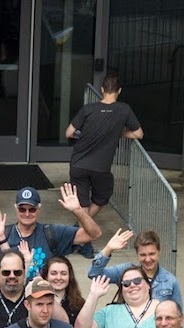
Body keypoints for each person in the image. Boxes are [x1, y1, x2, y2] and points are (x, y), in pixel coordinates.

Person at [66, 71, 144, 218]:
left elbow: (69, 133)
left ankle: (83, 230)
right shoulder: (124, 109)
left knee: (82, 203)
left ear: (102, 89)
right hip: (101, 168)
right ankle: (85, 229)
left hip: (78, 163)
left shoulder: (88, 109)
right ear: (119, 91)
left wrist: (84, 135)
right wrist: (118, 133)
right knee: (101, 198)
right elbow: (138, 134)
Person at [0, 185, 102, 270]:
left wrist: (77, 210)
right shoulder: (1, 236)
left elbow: (94, 234)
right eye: (22, 209)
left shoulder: (52, 233)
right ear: (16, 209)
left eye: (32, 209)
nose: (27, 214)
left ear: (39, 209)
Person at [89, 229, 183, 309]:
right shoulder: (125, 271)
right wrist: (108, 249)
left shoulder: (171, 281)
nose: (147, 259)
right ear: (137, 254)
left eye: (152, 254)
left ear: (159, 251)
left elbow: (178, 315)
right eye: (142, 255)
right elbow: (94, 275)